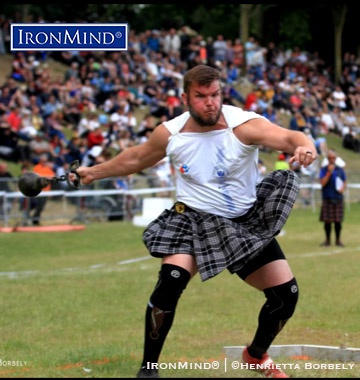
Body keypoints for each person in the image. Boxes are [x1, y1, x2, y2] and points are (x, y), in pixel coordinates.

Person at [70, 65, 317, 379]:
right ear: (185, 97)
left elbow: (289, 136)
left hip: (240, 224)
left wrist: (304, 146)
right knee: (170, 282)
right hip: (191, 220)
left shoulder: (244, 126)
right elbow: (135, 158)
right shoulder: (171, 133)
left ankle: (255, 355)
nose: (210, 102)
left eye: (214, 95)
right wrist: (93, 172)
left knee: (286, 296)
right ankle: (148, 371)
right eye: (201, 97)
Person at [319, 149, 347, 247]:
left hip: (338, 198)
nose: (331, 160)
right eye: (330, 158)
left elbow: (344, 182)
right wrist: (329, 173)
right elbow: (322, 183)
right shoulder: (324, 170)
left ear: (336, 158)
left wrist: (342, 188)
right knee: (327, 221)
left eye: (333, 158)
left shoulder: (340, 170)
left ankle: (338, 240)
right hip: (327, 197)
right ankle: (327, 240)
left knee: (338, 221)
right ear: (327, 158)